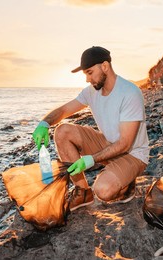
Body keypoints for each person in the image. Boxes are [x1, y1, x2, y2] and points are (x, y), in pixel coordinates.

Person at [32, 46, 149, 211]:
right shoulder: (91, 92)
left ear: (105, 66)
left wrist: (90, 160)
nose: (87, 79)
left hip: (133, 154)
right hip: (108, 144)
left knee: (103, 190)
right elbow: (65, 110)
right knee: (63, 131)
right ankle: (82, 192)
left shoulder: (129, 93)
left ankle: (127, 181)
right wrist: (44, 123)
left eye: (89, 72)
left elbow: (125, 143)